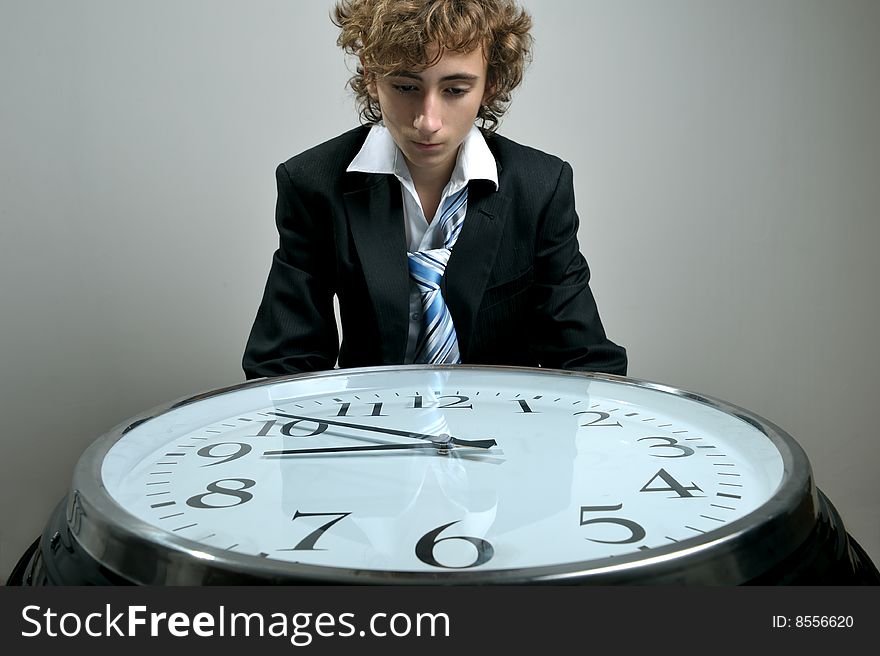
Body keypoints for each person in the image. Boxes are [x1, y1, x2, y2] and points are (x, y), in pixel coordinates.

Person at [243, 0, 626, 379]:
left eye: (455, 90)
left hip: (507, 426)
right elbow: (283, 362)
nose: (427, 121)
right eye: (406, 86)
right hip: (368, 425)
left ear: (491, 83)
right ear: (371, 76)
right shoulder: (313, 182)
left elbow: (584, 360)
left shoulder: (541, 186)